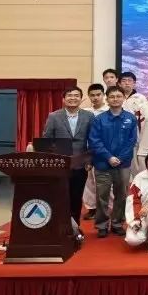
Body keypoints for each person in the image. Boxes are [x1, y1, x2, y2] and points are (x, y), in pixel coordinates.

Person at [40, 86, 95, 232]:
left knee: (76, 197)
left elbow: (92, 140)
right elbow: (46, 139)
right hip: (59, 165)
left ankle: (74, 229)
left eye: (76, 95)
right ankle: (57, 227)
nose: (73, 98)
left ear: (81, 98)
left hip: (80, 164)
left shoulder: (89, 116)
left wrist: (89, 161)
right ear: (64, 99)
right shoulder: (54, 116)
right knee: (59, 197)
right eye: (69, 95)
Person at [88, 86, 137, 238]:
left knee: (121, 195)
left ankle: (117, 223)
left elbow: (131, 141)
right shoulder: (99, 119)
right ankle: (102, 225)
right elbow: (94, 141)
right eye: (112, 96)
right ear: (107, 99)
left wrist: (120, 158)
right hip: (102, 163)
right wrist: (108, 157)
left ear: (123, 98)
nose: (115, 99)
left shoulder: (131, 118)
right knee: (101, 196)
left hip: (123, 164)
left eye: (118, 96)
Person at [82, 83, 109, 220]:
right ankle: (91, 208)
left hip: (106, 151)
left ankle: (107, 209)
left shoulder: (109, 111)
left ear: (103, 95)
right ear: (89, 96)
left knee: (106, 181)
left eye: (98, 95)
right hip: (89, 150)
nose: (95, 97)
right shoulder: (85, 112)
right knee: (90, 181)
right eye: (92, 95)